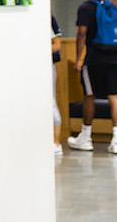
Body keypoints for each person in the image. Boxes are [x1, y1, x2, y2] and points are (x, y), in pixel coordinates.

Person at [68, 0, 117, 154]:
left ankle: (86, 136)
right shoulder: (110, 6)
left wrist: (78, 59)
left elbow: (82, 34)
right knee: (114, 97)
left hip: (94, 58)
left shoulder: (85, 7)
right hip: (115, 57)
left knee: (89, 95)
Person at [51, 15, 63, 156]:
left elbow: (57, 45)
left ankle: (56, 142)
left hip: (47, 66)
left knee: (51, 102)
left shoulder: (48, 20)